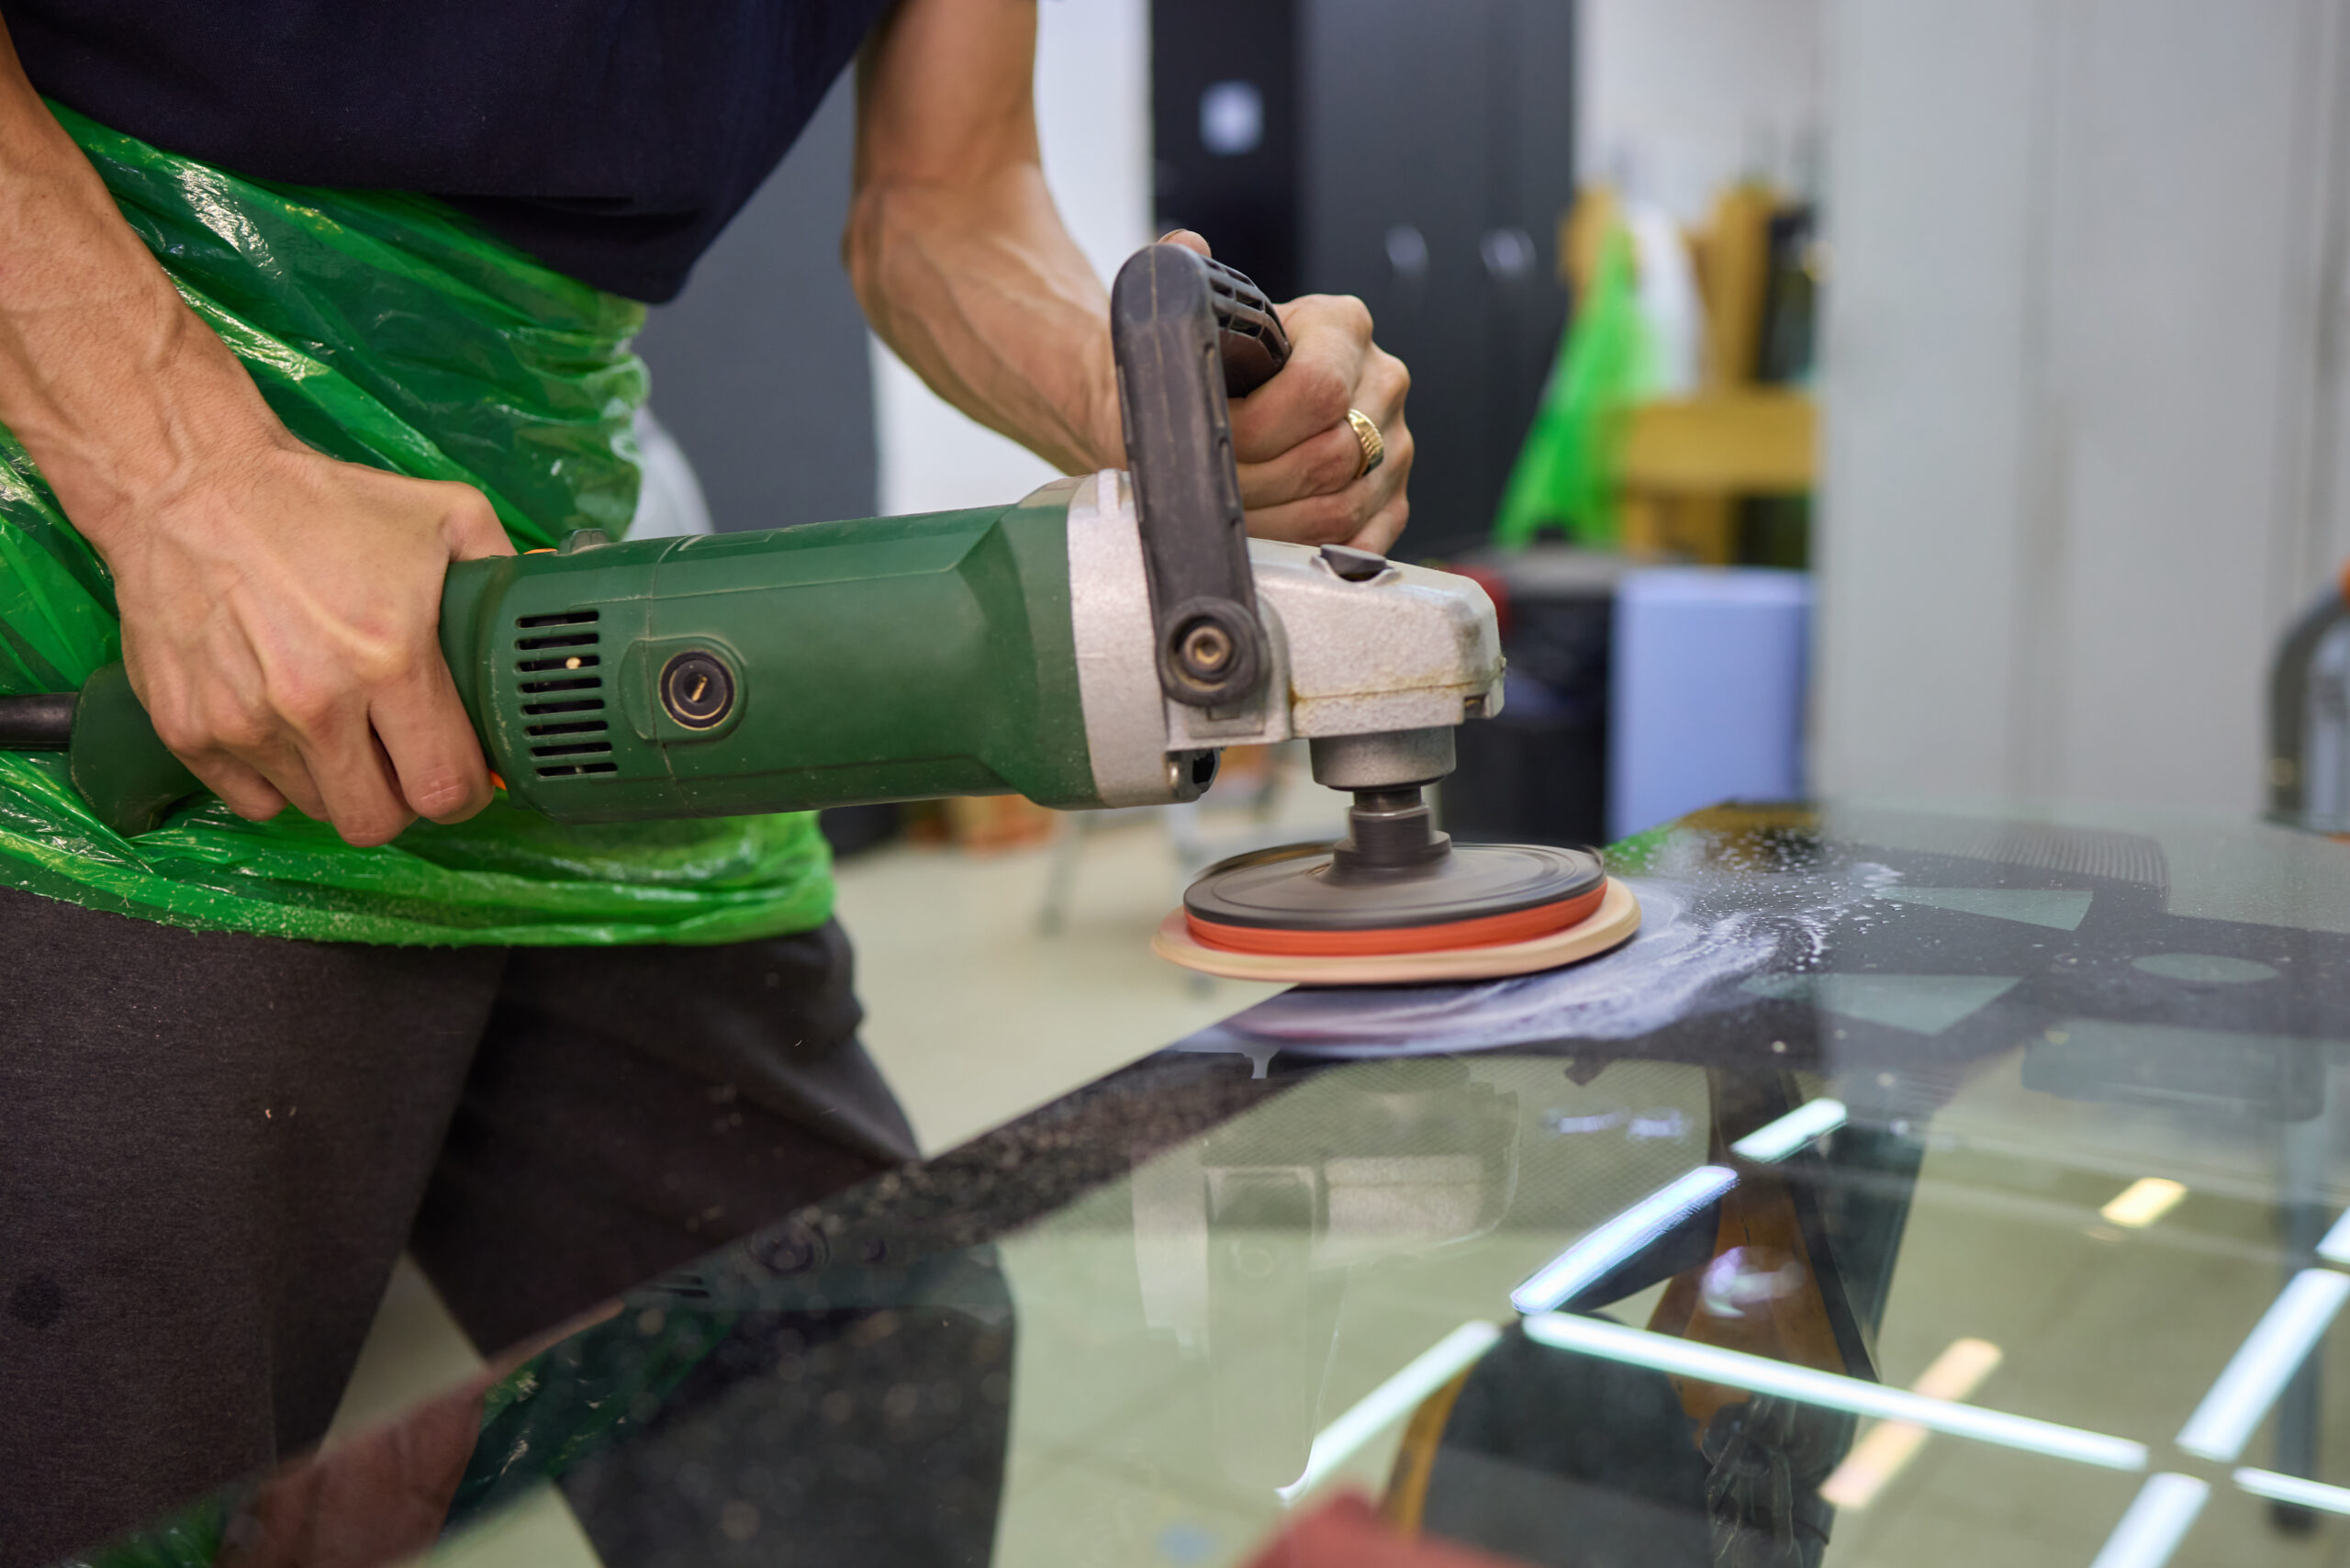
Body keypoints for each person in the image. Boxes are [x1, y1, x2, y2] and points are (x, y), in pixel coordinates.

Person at [0, 0, 1412, 1560]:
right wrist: (184, 482)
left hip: (537, 535)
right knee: (117, 1474)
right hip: (80, 526)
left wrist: (1150, 413)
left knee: (864, 1371)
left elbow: (943, 205)